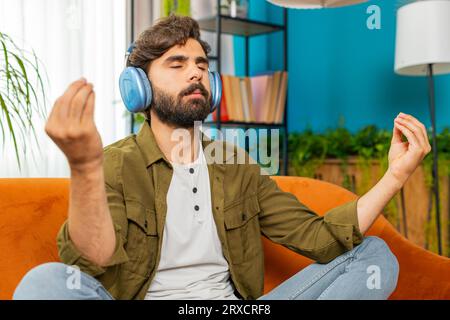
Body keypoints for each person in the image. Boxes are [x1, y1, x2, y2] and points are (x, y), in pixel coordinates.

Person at [14, 15, 431, 300]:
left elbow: (322, 239)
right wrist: (84, 166)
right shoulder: (115, 165)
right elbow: (92, 259)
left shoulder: (236, 166)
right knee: (45, 282)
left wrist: (396, 174)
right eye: (176, 64)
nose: (195, 72)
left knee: (374, 256)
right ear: (137, 88)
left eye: (200, 64)